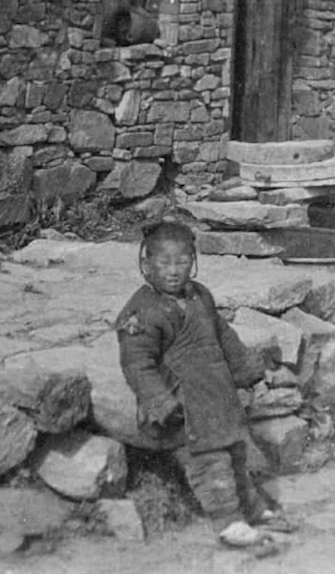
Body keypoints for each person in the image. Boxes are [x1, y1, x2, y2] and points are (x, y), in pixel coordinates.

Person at [115, 221, 296, 549]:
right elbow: (136, 364)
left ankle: (253, 510)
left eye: (182, 262)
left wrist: (247, 368)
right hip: (181, 405)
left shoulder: (200, 297)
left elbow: (223, 337)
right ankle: (228, 521)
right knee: (210, 462)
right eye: (163, 263)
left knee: (235, 454)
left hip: (215, 396)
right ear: (146, 265)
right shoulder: (142, 314)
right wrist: (160, 402)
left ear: (193, 261)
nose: (173, 271)